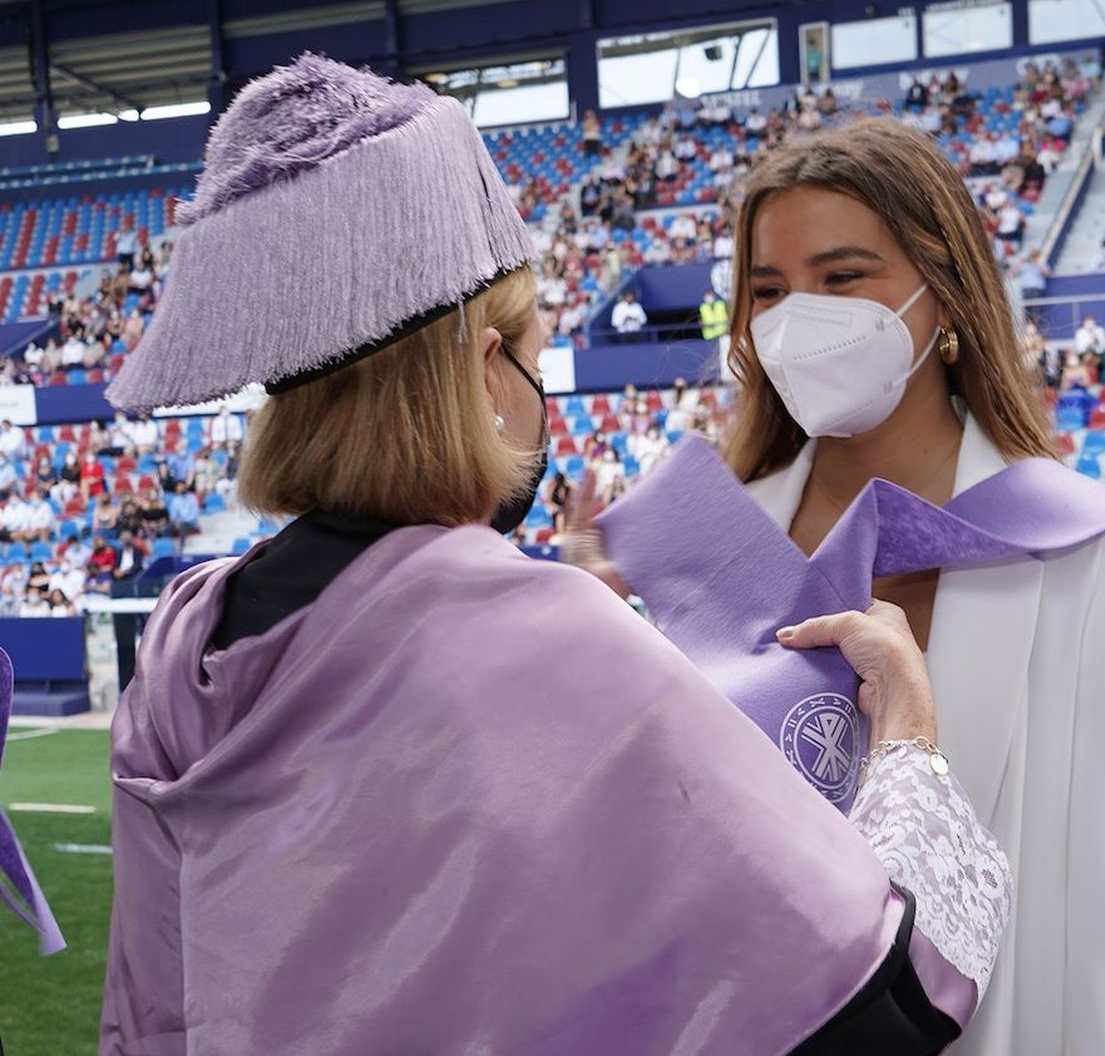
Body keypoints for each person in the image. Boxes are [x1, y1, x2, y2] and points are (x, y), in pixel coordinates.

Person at [99, 57, 1012, 1054]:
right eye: (533, 354)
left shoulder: (180, 641)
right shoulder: (549, 638)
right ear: (485, 371)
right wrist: (909, 742)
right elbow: (888, 1000)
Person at [567, 117, 1105, 1054]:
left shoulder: (1104, 560)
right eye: (767, 290)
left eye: (842, 278)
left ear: (944, 294)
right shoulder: (704, 543)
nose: (797, 318)